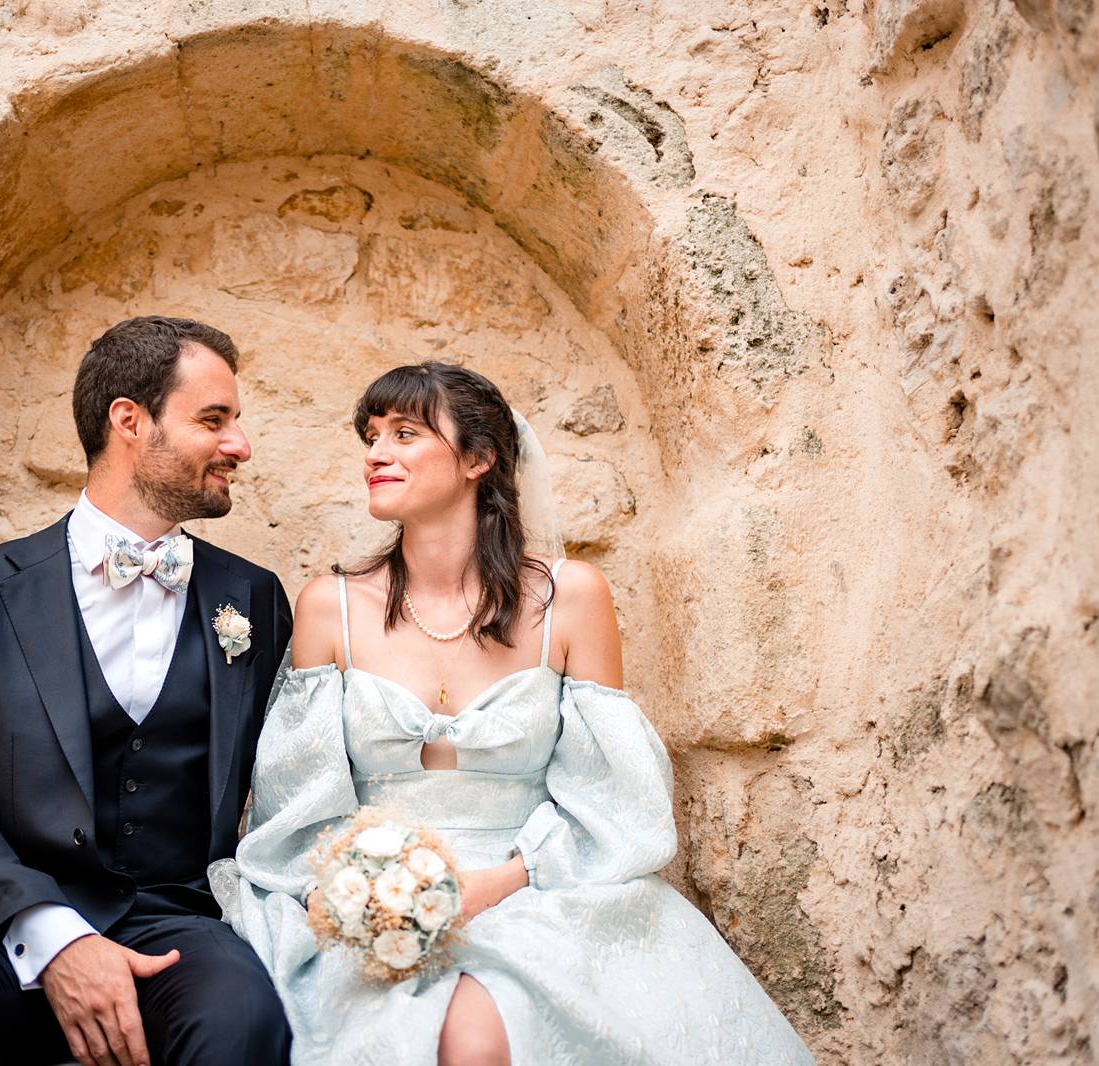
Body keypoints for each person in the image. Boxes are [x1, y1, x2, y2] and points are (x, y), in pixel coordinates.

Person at [209, 361, 816, 1065]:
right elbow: (300, 803)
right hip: (377, 898)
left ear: (479, 457)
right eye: (371, 436)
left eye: (405, 433)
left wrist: (498, 881)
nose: (376, 453)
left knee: (484, 1029)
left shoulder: (571, 597)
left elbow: (608, 791)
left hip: (536, 882)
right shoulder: (329, 605)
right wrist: (363, 893)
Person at [0, 316, 293, 1066]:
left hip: (175, 921)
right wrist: (53, 935)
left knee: (244, 1019)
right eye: (215, 420)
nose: (239, 445)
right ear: (129, 422)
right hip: (0, 921)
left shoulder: (254, 599)